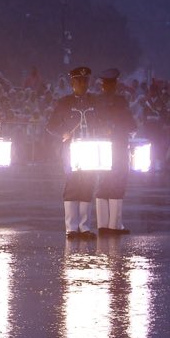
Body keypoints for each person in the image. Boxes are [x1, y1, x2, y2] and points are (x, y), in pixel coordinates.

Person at [46, 66, 101, 239]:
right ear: (73, 82)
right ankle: (71, 227)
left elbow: (103, 121)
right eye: (79, 81)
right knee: (72, 184)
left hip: (90, 148)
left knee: (88, 185)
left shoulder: (95, 101)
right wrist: (63, 132)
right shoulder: (65, 102)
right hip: (71, 149)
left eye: (86, 81)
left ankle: (84, 227)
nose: (83, 84)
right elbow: (51, 125)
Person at [93, 68, 137, 235]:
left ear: (103, 84)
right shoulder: (120, 101)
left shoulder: (96, 100)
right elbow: (130, 124)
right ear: (115, 84)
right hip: (118, 145)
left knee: (102, 182)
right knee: (118, 182)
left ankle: (102, 225)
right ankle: (115, 225)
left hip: (100, 145)